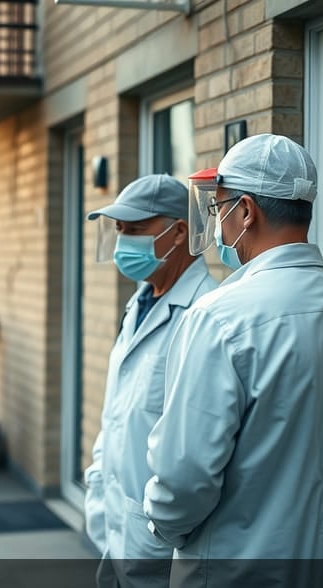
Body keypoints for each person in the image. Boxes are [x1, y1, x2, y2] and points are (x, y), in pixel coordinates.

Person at [143, 134, 323, 587]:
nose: (219, 225)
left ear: (246, 212)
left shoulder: (218, 320)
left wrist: (163, 529)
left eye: (219, 208)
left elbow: (183, 480)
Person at [83, 174, 218, 587]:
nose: (124, 242)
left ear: (179, 232)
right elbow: (118, 416)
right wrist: (96, 491)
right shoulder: (138, 304)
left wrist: (158, 528)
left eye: (135, 230)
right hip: (115, 532)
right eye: (119, 230)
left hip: (162, 549)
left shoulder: (205, 316)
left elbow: (196, 457)